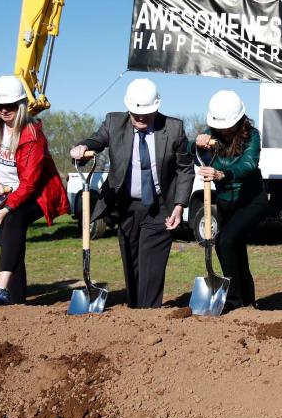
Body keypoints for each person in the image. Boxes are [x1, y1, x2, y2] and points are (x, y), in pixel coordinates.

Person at [70, 78, 193, 309]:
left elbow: (185, 169)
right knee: (132, 262)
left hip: (160, 206)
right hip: (126, 206)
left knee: (152, 267)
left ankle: (149, 314)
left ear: (156, 107)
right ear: (128, 108)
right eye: (136, 114)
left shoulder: (173, 128)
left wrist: (179, 205)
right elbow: (97, 140)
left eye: (147, 114)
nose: (141, 119)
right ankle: (135, 314)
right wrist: (83, 147)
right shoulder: (114, 122)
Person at [0, 74, 67, 304]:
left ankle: (1, 289)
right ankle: (15, 301)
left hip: (34, 196)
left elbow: (30, 183)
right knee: (11, 240)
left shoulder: (33, 137)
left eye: (10, 106)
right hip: (2, 194)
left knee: (12, 221)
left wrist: (8, 207)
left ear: (21, 105)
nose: (4, 111)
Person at [191, 90, 265, 311]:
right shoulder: (211, 135)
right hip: (225, 203)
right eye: (220, 126)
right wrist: (197, 143)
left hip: (251, 200)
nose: (224, 130)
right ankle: (247, 301)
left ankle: (233, 301)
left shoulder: (252, 135)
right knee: (232, 250)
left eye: (229, 126)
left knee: (225, 241)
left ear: (240, 119)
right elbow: (187, 150)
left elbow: (249, 164)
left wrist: (223, 175)